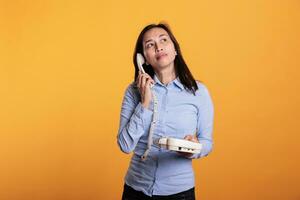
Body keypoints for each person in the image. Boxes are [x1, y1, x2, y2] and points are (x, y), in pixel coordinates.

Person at [117, 23, 214, 200]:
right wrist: (144, 103)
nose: (158, 47)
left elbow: (207, 142)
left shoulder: (198, 92)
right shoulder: (133, 92)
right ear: (143, 58)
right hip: (135, 190)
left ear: (175, 49)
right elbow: (125, 145)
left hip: (179, 192)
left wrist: (194, 148)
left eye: (163, 40)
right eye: (150, 44)